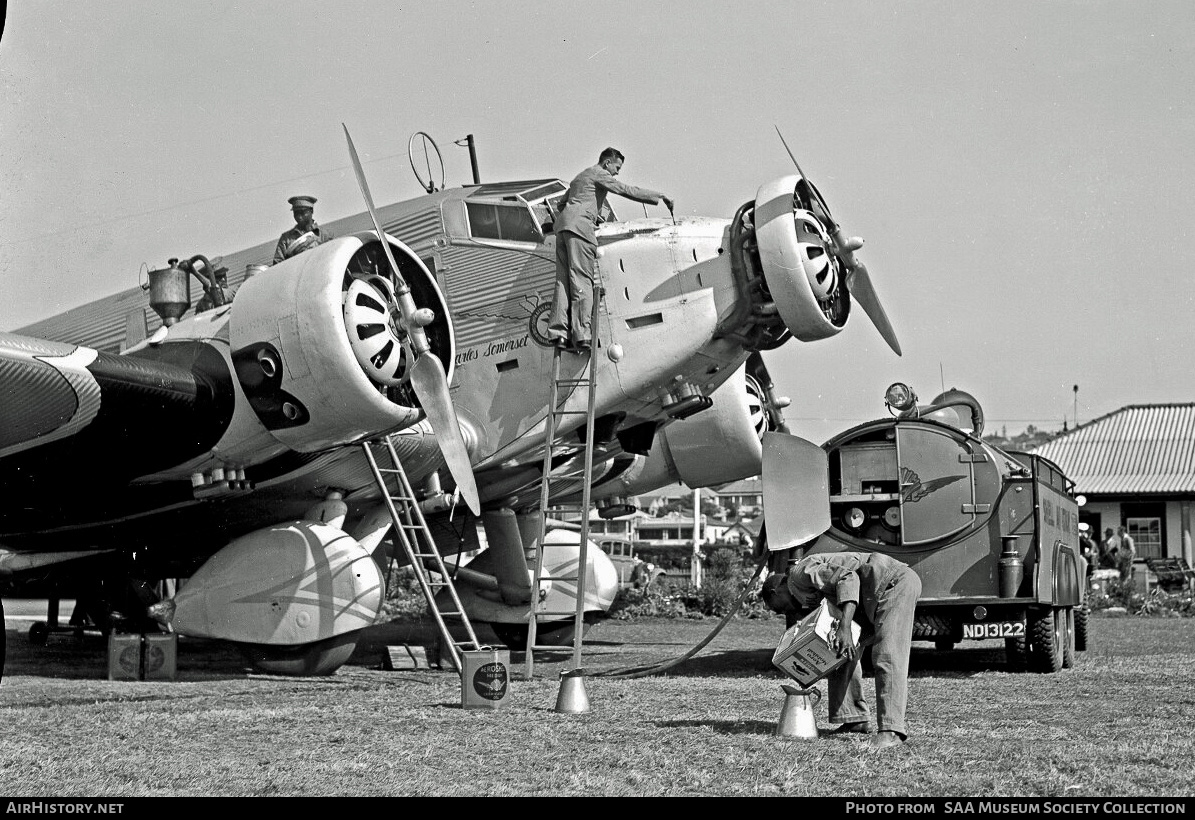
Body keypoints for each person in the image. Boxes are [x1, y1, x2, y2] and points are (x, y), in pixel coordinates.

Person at [761, 551, 921, 750]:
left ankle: (891, 731)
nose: (782, 612)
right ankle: (854, 719)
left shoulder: (799, 573)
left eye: (777, 608)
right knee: (837, 652)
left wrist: (845, 627)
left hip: (893, 584)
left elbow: (848, 578)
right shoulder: (801, 590)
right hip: (870, 596)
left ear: (776, 591)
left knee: (887, 655)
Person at [547, 148, 673, 351]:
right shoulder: (600, 174)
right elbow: (626, 190)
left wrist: (589, 211)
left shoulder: (581, 177)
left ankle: (559, 334)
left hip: (562, 230)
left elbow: (562, 205)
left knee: (562, 282)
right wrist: (659, 196)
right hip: (579, 230)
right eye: (617, 167)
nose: (617, 173)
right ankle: (581, 335)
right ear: (607, 163)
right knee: (582, 280)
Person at [272, 195, 334, 264]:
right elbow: (277, 265)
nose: (299, 216)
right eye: (296, 213)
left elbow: (332, 258)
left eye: (302, 212)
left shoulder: (324, 235)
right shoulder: (285, 239)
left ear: (311, 211)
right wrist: (292, 257)